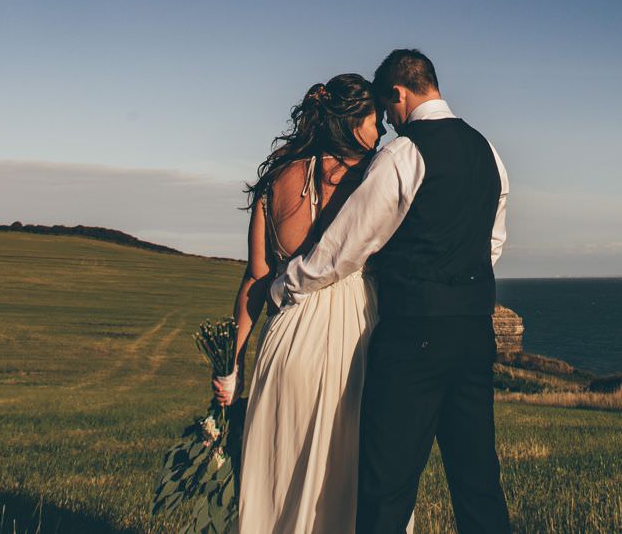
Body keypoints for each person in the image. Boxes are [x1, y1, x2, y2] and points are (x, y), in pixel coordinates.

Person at [271, 49, 511, 534]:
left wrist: (288, 283)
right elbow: (493, 242)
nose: (387, 123)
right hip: (473, 332)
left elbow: (349, 243)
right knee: (478, 481)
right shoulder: (490, 151)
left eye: (387, 109)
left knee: (387, 486)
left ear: (398, 93)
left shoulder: (405, 153)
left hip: (412, 335)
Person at [217, 74, 387, 534]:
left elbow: (256, 277)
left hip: (288, 340)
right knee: (348, 483)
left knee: (279, 481)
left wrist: (229, 369)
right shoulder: (372, 177)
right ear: (354, 123)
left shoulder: (276, 177)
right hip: (355, 340)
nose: (383, 131)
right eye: (377, 121)